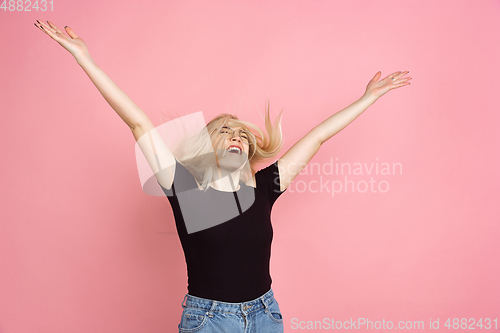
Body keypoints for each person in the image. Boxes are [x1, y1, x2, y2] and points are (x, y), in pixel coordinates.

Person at [34, 20, 411, 333]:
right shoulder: (185, 189)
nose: (237, 138)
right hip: (211, 321)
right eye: (227, 133)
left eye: (243, 136)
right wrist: (85, 59)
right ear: (210, 147)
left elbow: (317, 137)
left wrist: (368, 97)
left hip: (266, 315)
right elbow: (137, 122)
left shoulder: (265, 187)